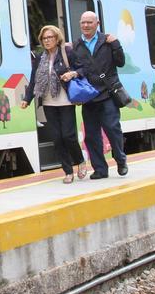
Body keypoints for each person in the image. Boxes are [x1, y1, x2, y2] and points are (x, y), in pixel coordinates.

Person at [19, 25, 87, 183]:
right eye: (44, 38)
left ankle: (80, 161)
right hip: (48, 103)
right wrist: (26, 99)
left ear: (57, 39)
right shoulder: (39, 58)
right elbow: (34, 80)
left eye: (50, 37)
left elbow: (83, 69)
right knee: (57, 138)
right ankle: (68, 172)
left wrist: (73, 73)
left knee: (68, 136)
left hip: (66, 101)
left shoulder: (67, 52)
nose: (47, 40)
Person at [65, 11, 128, 179]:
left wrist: (116, 44)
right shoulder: (75, 46)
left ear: (97, 23)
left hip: (107, 94)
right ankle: (100, 169)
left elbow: (121, 62)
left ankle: (120, 160)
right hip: (89, 96)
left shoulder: (107, 41)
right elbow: (76, 69)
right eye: (83, 22)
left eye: (89, 22)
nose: (86, 25)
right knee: (91, 136)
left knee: (113, 130)